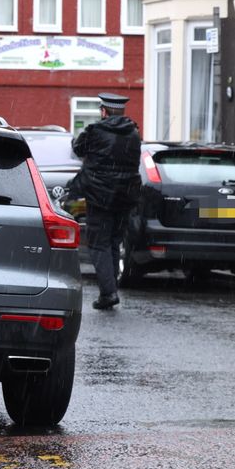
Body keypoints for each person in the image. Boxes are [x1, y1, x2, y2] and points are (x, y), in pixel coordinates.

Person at [70, 92, 142, 310]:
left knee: (98, 243)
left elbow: (78, 149)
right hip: (125, 196)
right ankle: (111, 289)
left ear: (104, 111)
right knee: (113, 242)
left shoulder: (96, 131)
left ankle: (108, 293)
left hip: (100, 196)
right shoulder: (133, 132)